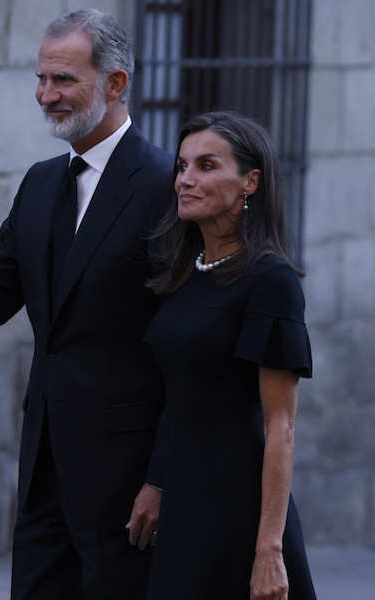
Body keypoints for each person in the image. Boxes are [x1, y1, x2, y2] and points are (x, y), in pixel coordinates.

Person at [0, 9, 173, 600]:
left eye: (64, 80)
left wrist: (163, 478)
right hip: (45, 467)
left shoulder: (166, 185)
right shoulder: (41, 183)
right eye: (41, 79)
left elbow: (186, 347)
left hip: (130, 477)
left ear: (116, 83)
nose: (47, 95)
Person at [144, 111, 316, 599]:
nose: (185, 180)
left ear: (250, 182)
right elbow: (178, 398)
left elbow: (281, 425)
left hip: (239, 508)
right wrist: (156, 483)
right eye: (181, 167)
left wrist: (269, 550)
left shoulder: (270, 280)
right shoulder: (181, 275)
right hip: (182, 504)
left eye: (205, 166)